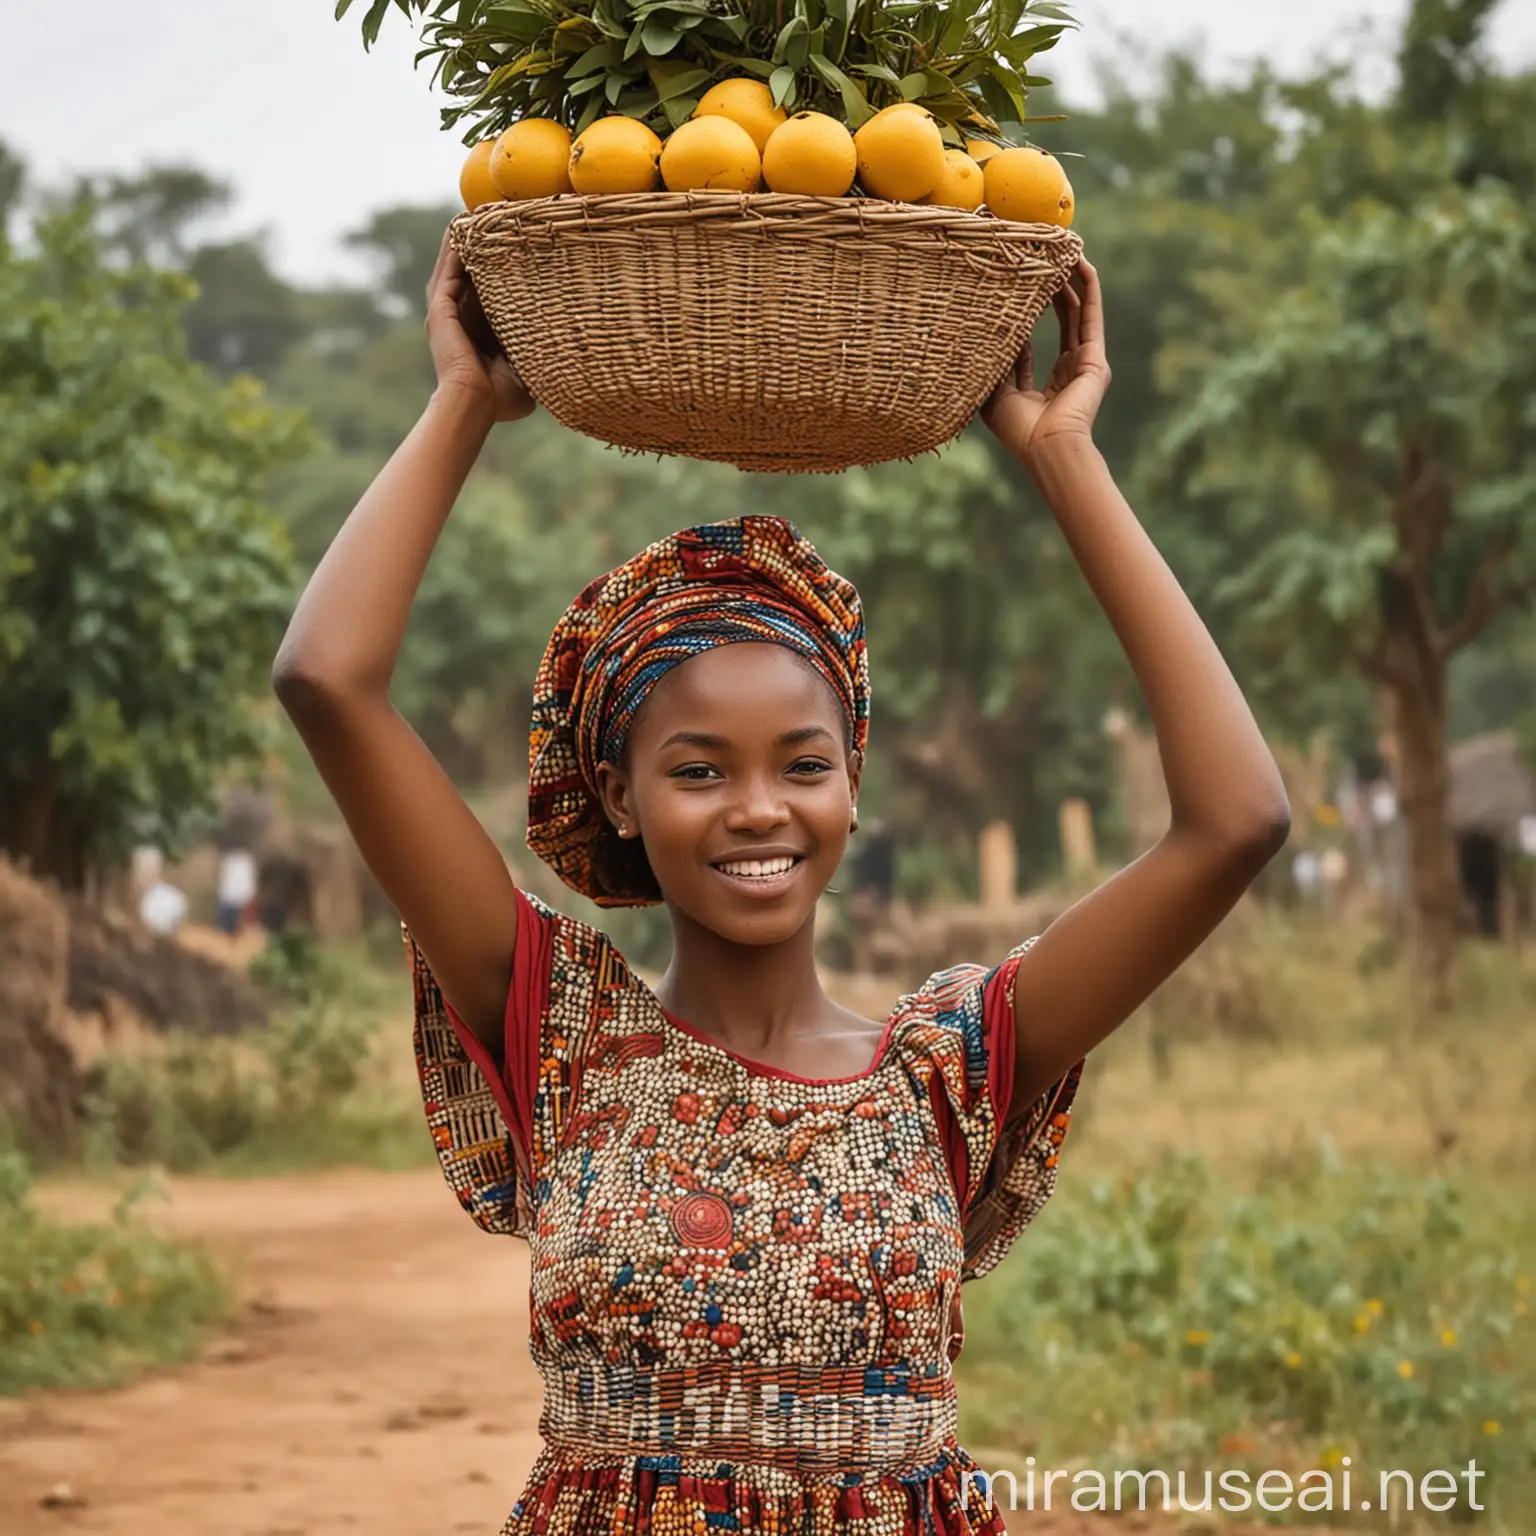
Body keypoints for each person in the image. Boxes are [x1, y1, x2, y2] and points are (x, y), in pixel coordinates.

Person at [273, 236, 1290, 1535]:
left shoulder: (952, 1065)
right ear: (624, 800)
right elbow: (326, 682)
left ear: (851, 780)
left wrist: (1063, 457)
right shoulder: (565, 1036)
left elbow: (1235, 822)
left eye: (801, 763)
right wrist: (464, 401)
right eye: (699, 770)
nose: (759, 807)